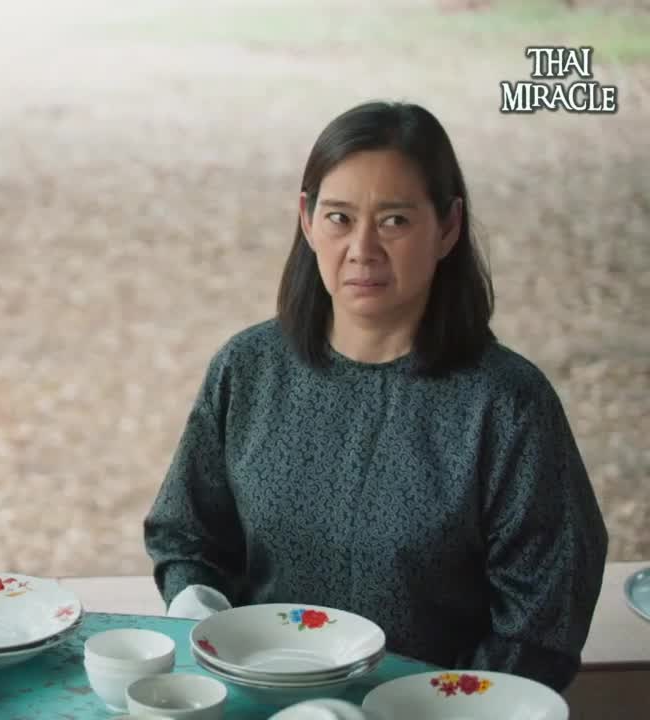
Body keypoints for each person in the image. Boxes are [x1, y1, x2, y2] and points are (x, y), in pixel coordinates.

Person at [143, 100, 608, 693]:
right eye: (339, 217)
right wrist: (206, 625)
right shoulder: (248, 368)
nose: (363, 248)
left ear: (448, 227)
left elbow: (544, 615)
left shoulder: (508, 404)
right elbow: (188, 535)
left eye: (394, 221)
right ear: (307, 220)